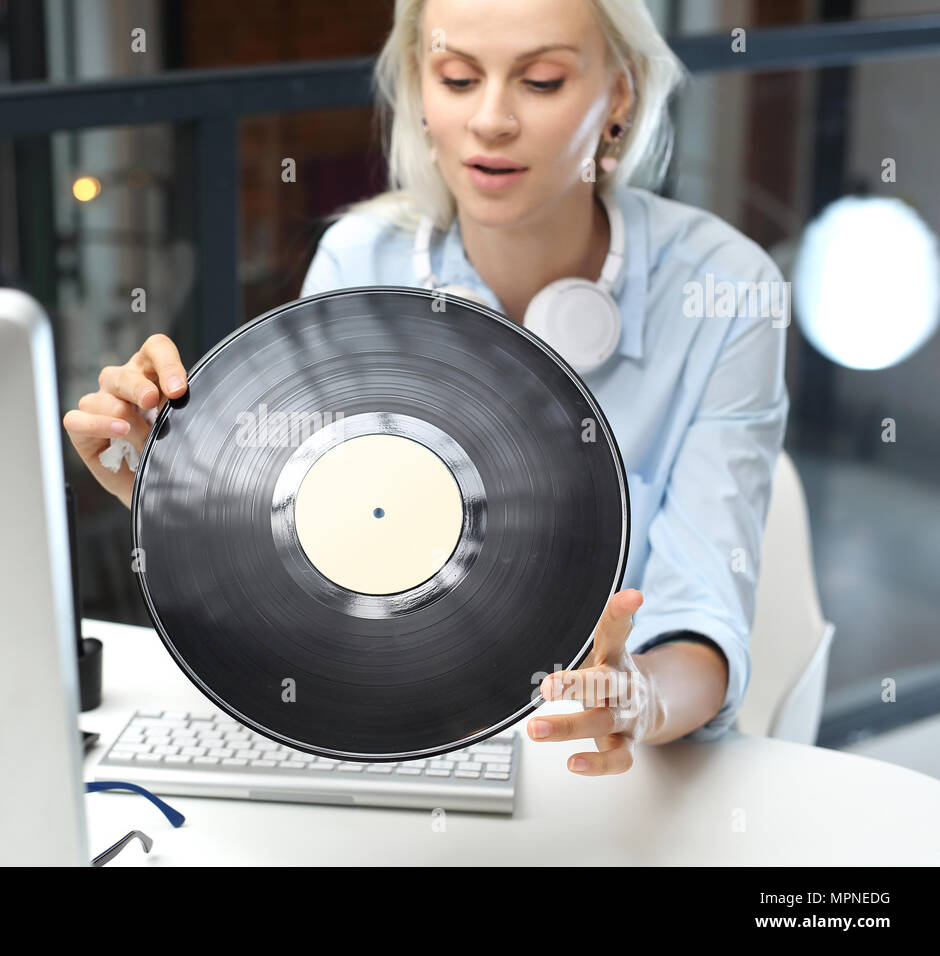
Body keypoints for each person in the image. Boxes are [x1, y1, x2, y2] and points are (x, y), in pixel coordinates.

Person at [63, 0, 789, 776]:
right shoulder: (357, 260)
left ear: (619, 96)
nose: (491, 119)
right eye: (457, 77)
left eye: (541, 81)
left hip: (612, 773)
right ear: (419, 89)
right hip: (398, 751)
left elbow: (704, 621)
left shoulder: (728, 290)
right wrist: (166, 491)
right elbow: (306, 556)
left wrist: (633, 698)